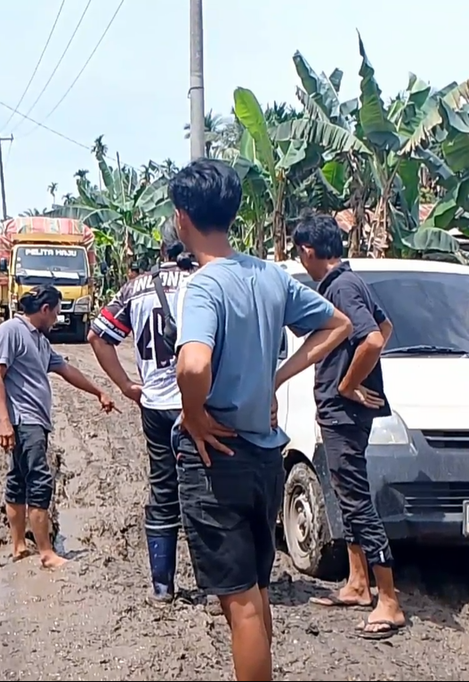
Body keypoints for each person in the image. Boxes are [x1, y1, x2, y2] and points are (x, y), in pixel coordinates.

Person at [169, 159, 350, 681]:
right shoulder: (269, 275)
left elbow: (193, 364)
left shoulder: (203, 286)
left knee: (241, 605)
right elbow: (337, 325)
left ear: (183, 218)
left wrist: (193, 414)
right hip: (265, 456)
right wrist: (276, 376)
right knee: (257, 589)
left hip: (217, 458)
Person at [293, 213, 406, 638]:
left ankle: (389, 600)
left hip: (344, 412)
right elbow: (385, 326)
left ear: (308, 251)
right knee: (345, 493)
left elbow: (373, 339)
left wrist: (348, 383)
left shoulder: (340, 287)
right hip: (345, 411)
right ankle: (358, 583)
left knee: (356, 499)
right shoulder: (351, 281)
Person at [88, 218, 196, 605]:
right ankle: (218, 586)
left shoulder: (135, 288)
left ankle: (162, 586)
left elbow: (98, 336)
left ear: (161, 248)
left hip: (154, 404)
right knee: (204, 490)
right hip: (197, 404)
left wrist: (126, 386)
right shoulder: (202, 281)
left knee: (163, 490)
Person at [0, 284, 118, 569]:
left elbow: (65, 369)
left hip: (32, 421)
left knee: (19, 480)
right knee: (38, 482)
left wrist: (98, 392)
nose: (57, 319)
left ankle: (20, 546)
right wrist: (3, 420)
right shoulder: (11, 331)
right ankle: (46, 553)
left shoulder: (39, 340)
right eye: (56, 313)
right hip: (25, 421)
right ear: (45, 309)